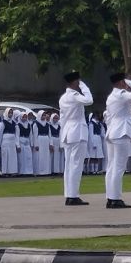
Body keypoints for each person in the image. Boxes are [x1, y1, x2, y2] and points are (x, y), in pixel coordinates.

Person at [104, 73, 131, 209]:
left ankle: (110, 197)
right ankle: (115, 198)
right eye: (125, 82)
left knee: (111, 167)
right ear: (121, 82)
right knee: (119, 167)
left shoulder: (111, 96)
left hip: (112, 132)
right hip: (121, 132)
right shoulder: (121, 94)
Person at [59, 71, 94, 205]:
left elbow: (62, 119)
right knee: (76, 165)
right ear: (74, 82)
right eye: (78, 81)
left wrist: (63, 135)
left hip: (68, 133)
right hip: (77, 132)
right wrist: (84, 86)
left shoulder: (63, 98)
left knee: (69, 166)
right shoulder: (74, 96)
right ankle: (73, 196)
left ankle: (69, 195)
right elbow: (89, 100)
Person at [0, 108, 20, 176]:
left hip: (12, 142)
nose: (10, 114)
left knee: (12, 157)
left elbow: (16, 135)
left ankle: (12, 171)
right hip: (5, 142)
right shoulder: (3, 123)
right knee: (5, 156)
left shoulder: (14, 123)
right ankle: (5, 172)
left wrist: (17, 144)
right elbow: (0, 134)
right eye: (9, 113)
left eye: (11, 113)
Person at [33, 111, 53, 176]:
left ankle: (46, 171)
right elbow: (35, 135)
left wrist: (51, 144)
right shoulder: (36, 124)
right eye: (42, 115)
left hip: (46, 140)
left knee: (46, 156)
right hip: (39, 140)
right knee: (40, 156)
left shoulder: (47, 124)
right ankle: (40, 171)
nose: (44, 117)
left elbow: (50, 135)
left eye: (44, 115)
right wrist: (36, 144)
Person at [17, 111, 35, 176]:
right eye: (23, 117)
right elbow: (17, 136)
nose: (24, 118)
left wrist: (32, 144)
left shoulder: (29, 125)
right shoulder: (18, 125)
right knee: (21, 158)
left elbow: (31, 135)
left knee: (28, 157)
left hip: (27, 142)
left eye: (25, 117)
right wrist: (18, 145)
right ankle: (22, 172)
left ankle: (29, 172)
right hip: (21, 142)